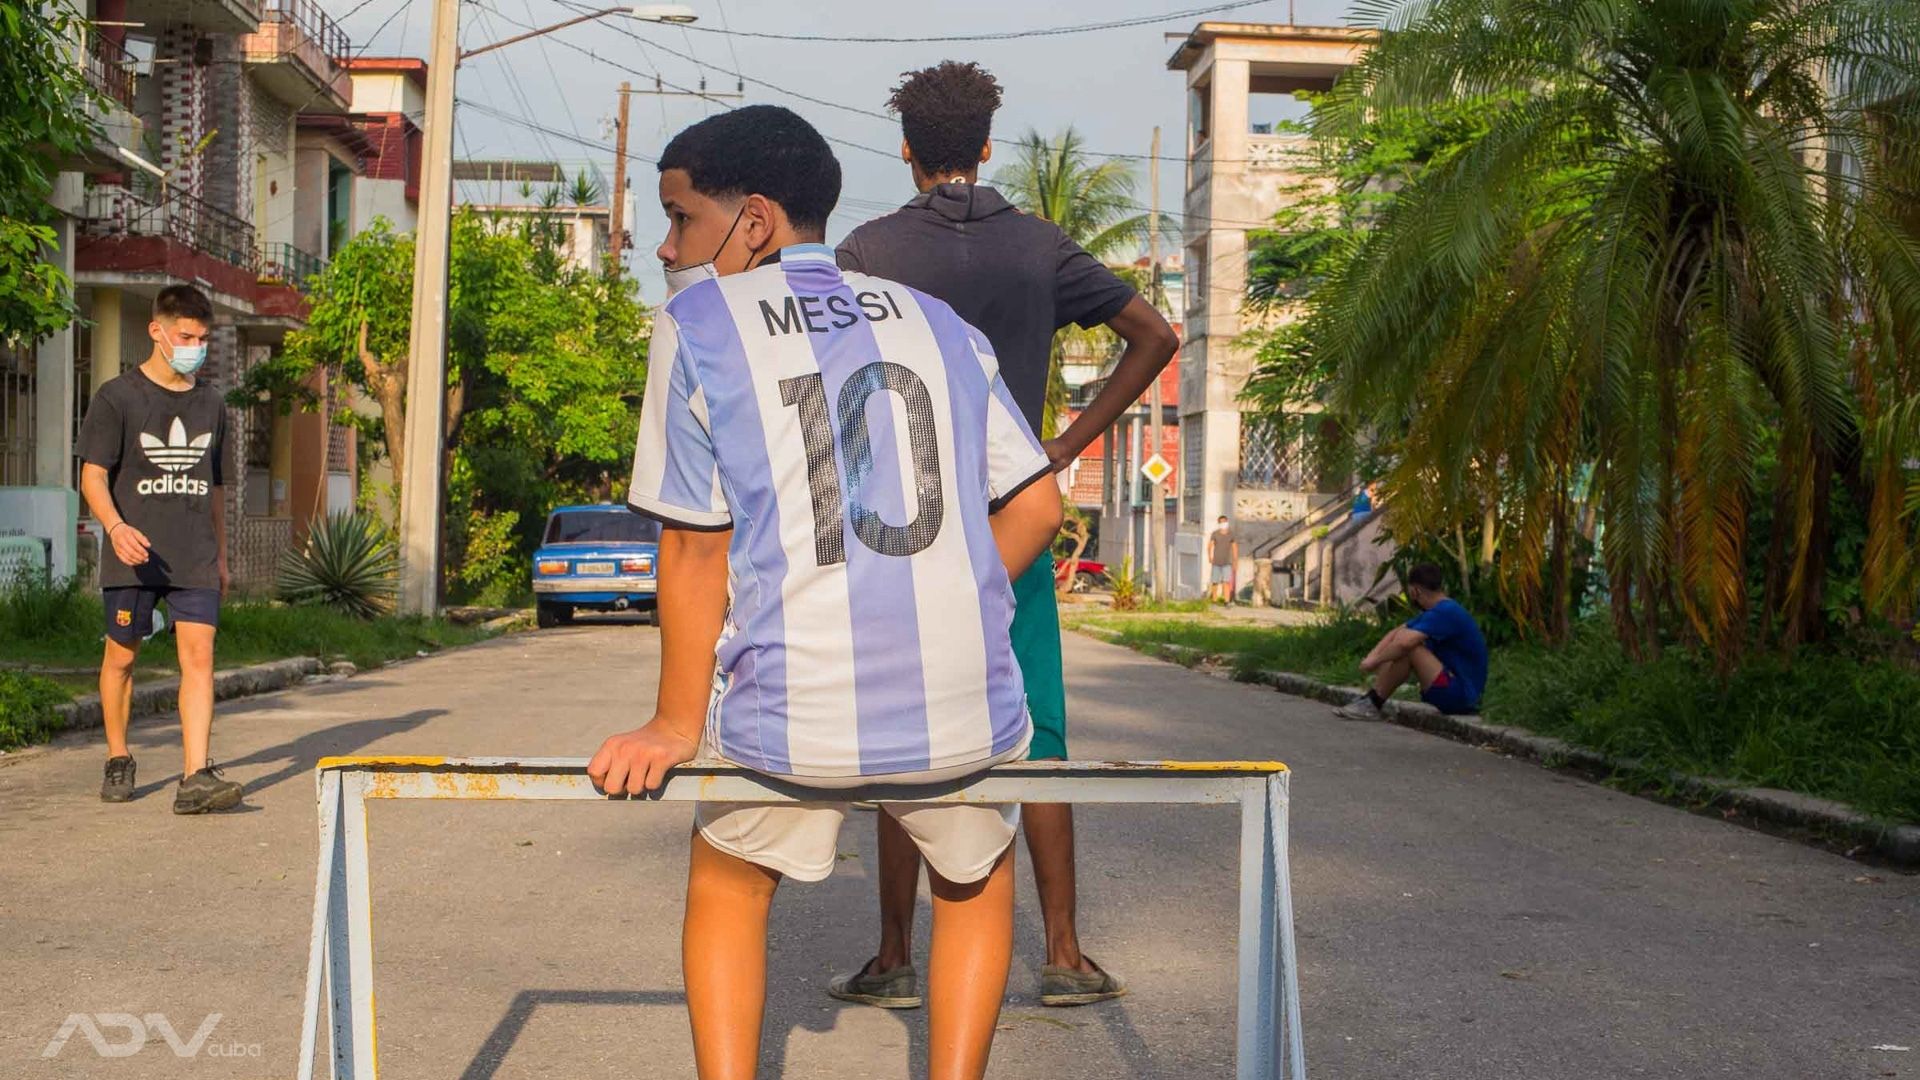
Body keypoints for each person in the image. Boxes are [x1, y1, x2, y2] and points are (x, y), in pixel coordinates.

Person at [587, 105, 1065, 1080]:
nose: (668, 246)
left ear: (753, 219)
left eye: (680, 218)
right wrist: (950, 593)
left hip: (791, 718)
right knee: (974, 875)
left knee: (728, 879)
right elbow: (1041, 506)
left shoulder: (699, 322)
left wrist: (675, 725)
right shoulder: (942, 324)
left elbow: (692, 548)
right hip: (960, 711)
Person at [829, 60, 1178, 1010]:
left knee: (905, 731)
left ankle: (895, 953)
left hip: (904, 531)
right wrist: (1062, 443)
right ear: (987, 146)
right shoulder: (1041, 249)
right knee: (1040, 735)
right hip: (1013, 522)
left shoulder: (866, 251)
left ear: (906, 150)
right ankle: (1064, 956)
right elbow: (1156, 336)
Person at [77, 284, 244, 813]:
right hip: (134, 553)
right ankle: (119, 756)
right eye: (185, 335)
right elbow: (92, 476)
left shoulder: (212, 403)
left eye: (201, 337)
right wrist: (114, 527)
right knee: (122, 657)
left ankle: (195, 776)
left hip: (192, 552)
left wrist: (220, 554)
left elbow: (215, 486)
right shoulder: (117, 397)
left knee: (199, 657)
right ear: (158, 331)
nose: (193, 345)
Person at [1335, 562, 1489, 721]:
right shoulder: (1438, 610)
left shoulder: (1446, 612)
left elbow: (1404, 643)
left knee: (1410, 648)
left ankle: (1373, 703)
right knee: (1401, 642)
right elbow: (1396, 633)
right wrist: (1372, 657)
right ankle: (1371, 700)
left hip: (1461, 696)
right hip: (1453, 689)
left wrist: (1375, 661)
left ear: (1416, 590)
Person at [1207, 515, 1238, 604]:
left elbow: (1235, 548)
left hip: (1227, 562)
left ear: (1227, 522)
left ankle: (1226, 600)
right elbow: (1210, 545)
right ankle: (1214, 599)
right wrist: (1210, 557)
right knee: (1215, 581)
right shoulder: (1215, 534)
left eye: (1224, 522)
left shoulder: (1231, 534)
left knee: (1226, 581)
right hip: (1216, 561)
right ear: (1218, 523)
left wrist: (1235, 561)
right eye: (1221, 522)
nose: (1223, 524)